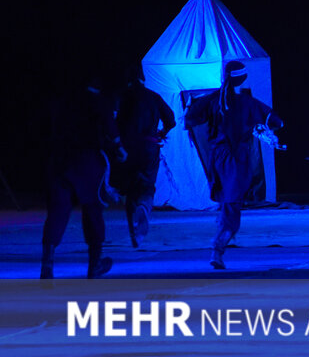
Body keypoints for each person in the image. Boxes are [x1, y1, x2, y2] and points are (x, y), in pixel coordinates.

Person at [184, 60, 284, 269]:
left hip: (217, 157)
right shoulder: (247, 103)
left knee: (227, 200)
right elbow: (275, 121)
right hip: (236, 158)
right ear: (243, 78)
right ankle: (219, 244)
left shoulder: (212, 100)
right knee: (233, 203)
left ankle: (222, 232)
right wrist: (259, 129)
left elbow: (190, 118)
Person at [41, 72, 127, 279]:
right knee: (92, 210)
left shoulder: (62, 102)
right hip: (87, 161)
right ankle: (94, 264)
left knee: (57, 211)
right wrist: (120, 149)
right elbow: (111, 130)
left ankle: (47, 265)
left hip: (59, 161)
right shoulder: (100, 102)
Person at [112, 64, 175, 247]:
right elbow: (170, 119)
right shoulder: (153, 96)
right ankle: (144, 208)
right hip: (149, 146)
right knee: (147, 186)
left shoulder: (122, 97)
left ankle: (134, 234)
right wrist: (161, 133)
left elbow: (112, 122)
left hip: (127, 148)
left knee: (130, 188)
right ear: (143, 78)